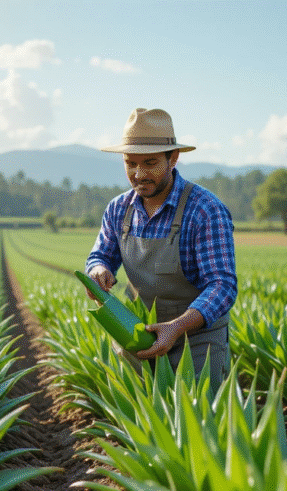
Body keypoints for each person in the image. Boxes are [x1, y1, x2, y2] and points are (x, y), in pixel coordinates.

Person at [85, 108, 237, 389]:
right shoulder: (118, 209)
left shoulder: (205, 210)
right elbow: (100, 255)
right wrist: (98, 270)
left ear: (173, 158)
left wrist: (177, 326)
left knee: (199, 424)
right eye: (130, 163)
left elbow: (222, 286)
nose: (139, 174)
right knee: (141, 424)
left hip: (197, 341)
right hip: (137, 335)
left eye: (150, 163)